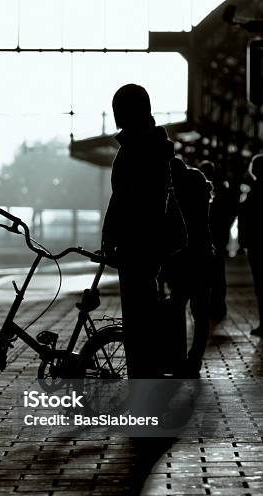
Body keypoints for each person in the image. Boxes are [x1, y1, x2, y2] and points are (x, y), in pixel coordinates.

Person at [102, 84, 174, 378]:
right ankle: (149, 379)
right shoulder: (153, 145)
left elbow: (124, 199)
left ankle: (143, 385)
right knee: (145, 316)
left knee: (138, 320)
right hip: (149, 242)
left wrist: (110, 237)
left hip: (136, 244)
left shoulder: (137, 149)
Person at [166, 158, 214, 377]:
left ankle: (178, 357)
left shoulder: (176, 194)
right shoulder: (200, 186)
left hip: (181, 259)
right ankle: (195, 359)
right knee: (201, 312)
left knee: (177, 309)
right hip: (203, 256)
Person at [200, 160, 237, 322]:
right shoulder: (222, 189)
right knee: (218, 274)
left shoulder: (206, 189)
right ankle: (218, 306)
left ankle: (213, 306)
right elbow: (231, 212)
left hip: (210, 236)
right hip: (218, 236)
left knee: (209, 274)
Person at [238, 154, 263, 337]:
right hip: (256, 243)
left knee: (261, 285)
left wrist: (243, 241)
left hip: (257, 245)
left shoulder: (254, 193)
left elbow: (245, 219)